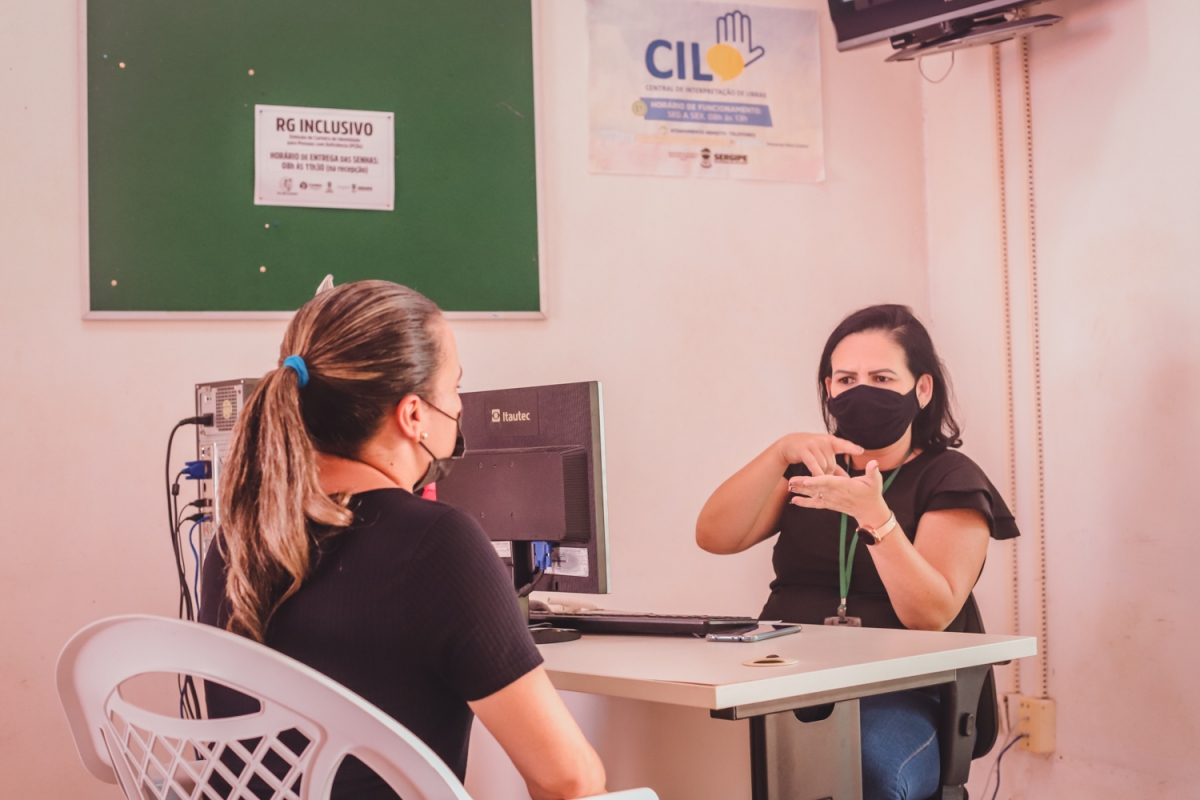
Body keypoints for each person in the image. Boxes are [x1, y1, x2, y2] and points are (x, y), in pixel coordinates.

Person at [200, 280, 606, 800]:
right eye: (454, 387)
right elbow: (569, 780)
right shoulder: (436, 544)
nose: (459, 407)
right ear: (414, 414)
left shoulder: (235, 543)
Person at [695, 304, 1018, 800]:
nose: (861, 390)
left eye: (882, 377)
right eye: (845, 379)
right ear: (828, 388)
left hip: (899, 693)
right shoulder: (811, 469)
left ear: (922, 389)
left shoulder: (951, 479)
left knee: (857, 770)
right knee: (693, 751)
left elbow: (931, 613)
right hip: (785, 678)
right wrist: (781, 451)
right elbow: (716, 535)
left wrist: (876, 518)